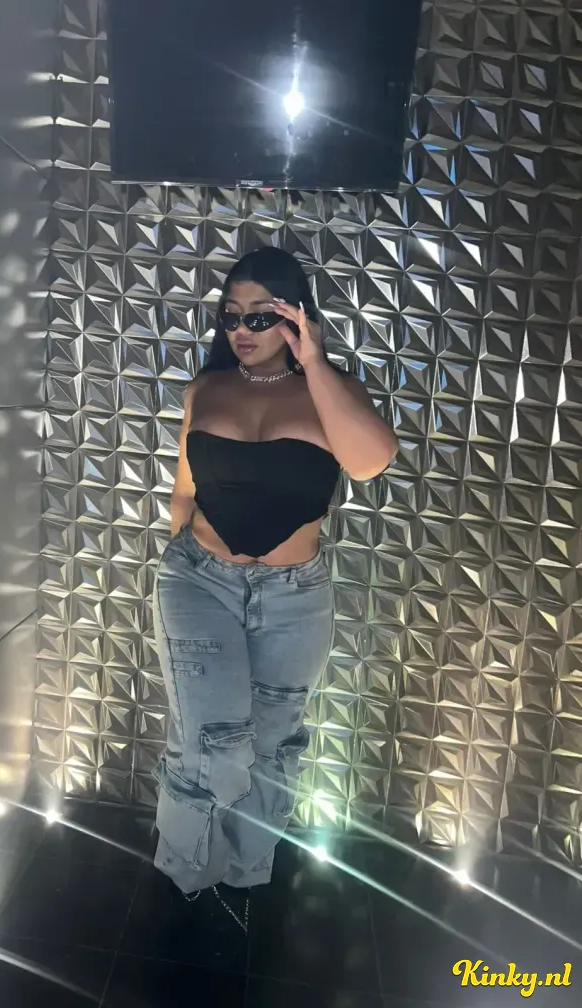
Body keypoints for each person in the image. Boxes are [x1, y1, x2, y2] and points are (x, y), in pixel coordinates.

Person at [152, 246, 398, 927]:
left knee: (274, 744)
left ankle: (245, 874)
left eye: (260, 317)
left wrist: (314, 364)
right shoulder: (207, 388)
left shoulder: (332, 390)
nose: (242, 330)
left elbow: (370, 463)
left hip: (295, 597)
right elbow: (184, 490)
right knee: (211, 741)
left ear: (296, 317)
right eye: (232, 316)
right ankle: (184, 873)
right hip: (199, 582)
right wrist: (177, 549)